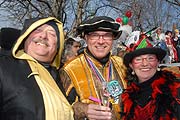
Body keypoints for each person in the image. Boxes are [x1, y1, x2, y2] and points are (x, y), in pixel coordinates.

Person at [0, 17, 74, 120]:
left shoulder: (60, 77)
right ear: (25, 37)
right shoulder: (3, 66)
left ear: (58, 46)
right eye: (37, 30)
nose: (43, 36)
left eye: (52, 34)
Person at [60, 16, 127, 120]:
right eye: (94, 35)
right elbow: (59, 108)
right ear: (86, 38)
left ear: (113, 38)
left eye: (107, 35)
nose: (101, 41)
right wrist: (83, 109)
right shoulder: (70, 69)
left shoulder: (122, 64)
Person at [121, 36, 180, 120]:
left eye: (150, 58)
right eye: (138, 59)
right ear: (131, 65)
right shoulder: (126, 96)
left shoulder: (175, 90)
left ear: (158, 62)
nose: (145, 63)